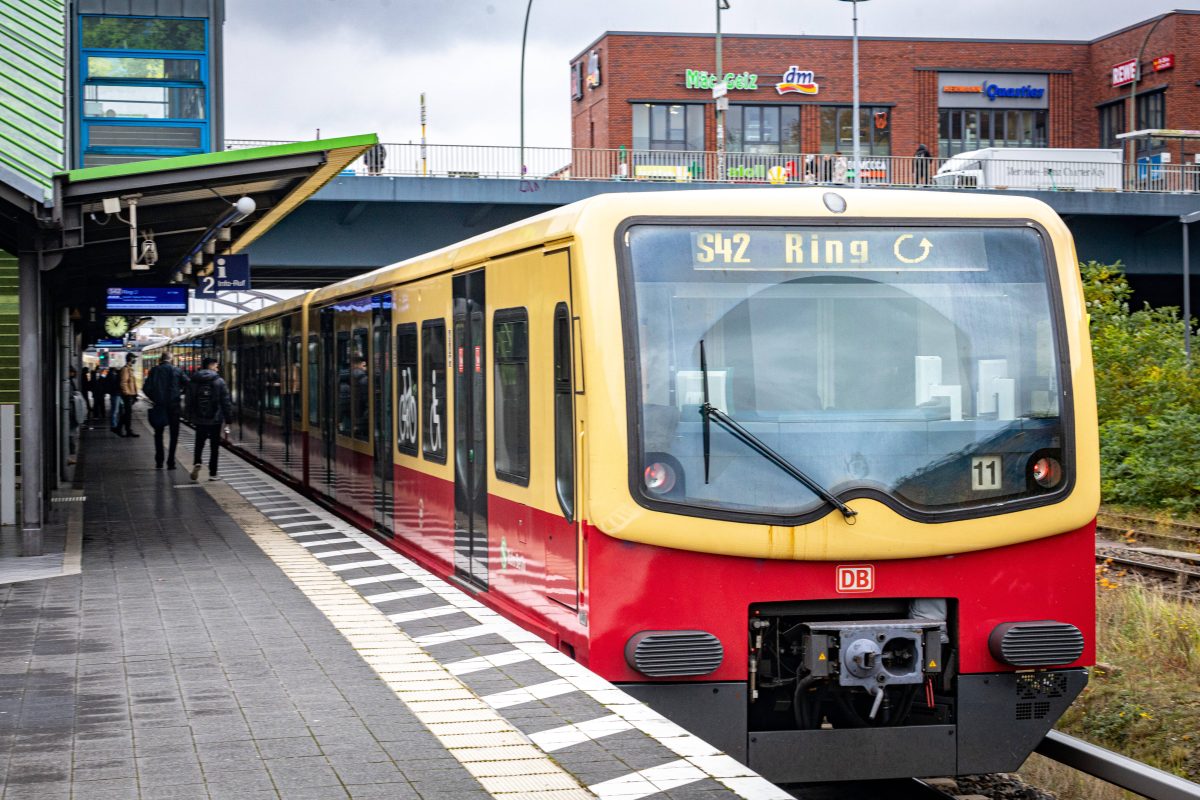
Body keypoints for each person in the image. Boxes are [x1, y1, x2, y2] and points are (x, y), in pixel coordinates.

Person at [187, 357, 232, 481]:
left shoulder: (194, 380)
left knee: (199, 442)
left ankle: (197, 461)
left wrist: (190, 416)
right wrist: (228, 419)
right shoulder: (219, 381)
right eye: (216, 366)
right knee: (214, 446)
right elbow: (226, 402)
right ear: (211, 365)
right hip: (215, 419)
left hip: (199, 418)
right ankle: (213, 473)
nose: (217, 368)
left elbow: (189, 399)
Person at [144, 352, 190, 469]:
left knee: (158, 434)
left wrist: (155, 398)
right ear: (171, 359)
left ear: (161, 359)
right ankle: (171, 462)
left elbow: (146, 388)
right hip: (174, 407)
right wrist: (180, 393)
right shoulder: (177, 370)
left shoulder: (154, 370)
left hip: (159, 406)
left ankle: (159, 461)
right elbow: (188, 384)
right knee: (174, 435)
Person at [117, 355, 140, 437]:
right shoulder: (125, 369)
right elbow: (123, 383)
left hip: (131, 394)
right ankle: (125, 430)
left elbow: (132, 383)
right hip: (128, 395)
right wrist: (127, 393)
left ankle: (122, 429)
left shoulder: (130, 369)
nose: (135, 360)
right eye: (134, 358)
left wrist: (135, 394)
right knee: (128, 413)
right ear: (130, 359)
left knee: (127, 413)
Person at [107, 364, 123, 433]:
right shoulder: (113, 376)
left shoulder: (111, 376)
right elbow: (116, 386)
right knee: (115, 410)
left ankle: (115, 424)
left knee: (116, 409)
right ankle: (114, 425)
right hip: (116, 395)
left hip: (115, 395)